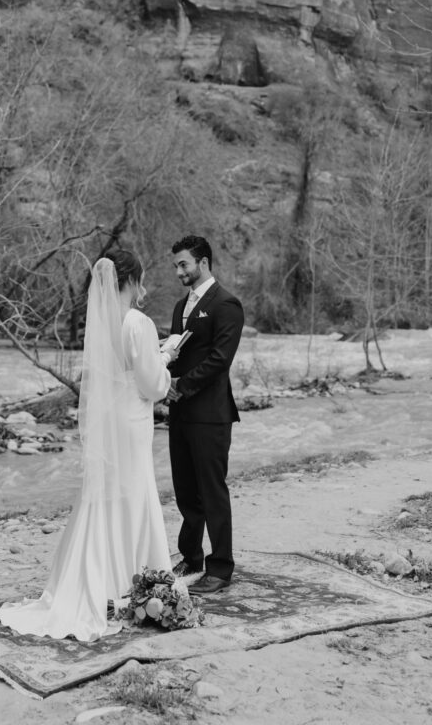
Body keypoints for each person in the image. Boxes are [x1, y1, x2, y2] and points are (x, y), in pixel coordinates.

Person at [0, 252, 173, 642]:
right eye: (139, 280)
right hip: (132, 420)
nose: (141, 288)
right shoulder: (137, 322)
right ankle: (137, 577)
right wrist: (166, 358)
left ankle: (105, 578)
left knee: (107, 495)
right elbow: (153, 385)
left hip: (110, 419)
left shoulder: (101, 323)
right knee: (136, 492)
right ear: (128, 281)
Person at [164, 234, 244, 595]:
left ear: (204, 263)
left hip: (210, 413)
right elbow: (173, 351)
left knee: (212, 491)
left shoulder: (227, 304)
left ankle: (221, 567)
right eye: (176, 265)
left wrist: (181, 385)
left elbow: (219, 360)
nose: (179, 271)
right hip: (179, 411)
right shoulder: (181, 305)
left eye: (184, 264)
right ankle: (192, 557)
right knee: (185, 490)